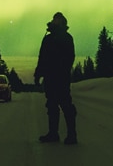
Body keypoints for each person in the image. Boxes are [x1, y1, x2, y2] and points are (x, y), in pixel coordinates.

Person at [34, 11, 77, 144]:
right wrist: (38, 74)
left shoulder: (67, 37)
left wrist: (63, 71)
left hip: (61, 78)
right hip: (50, 78)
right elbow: (42, 58)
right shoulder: (47, 38)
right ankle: (53, 134)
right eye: (54, 19)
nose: (55, 21)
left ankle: (72, 135)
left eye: (57, 19)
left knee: (66, 105)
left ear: (63, 22)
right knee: (52, 106)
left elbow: (70, 57)